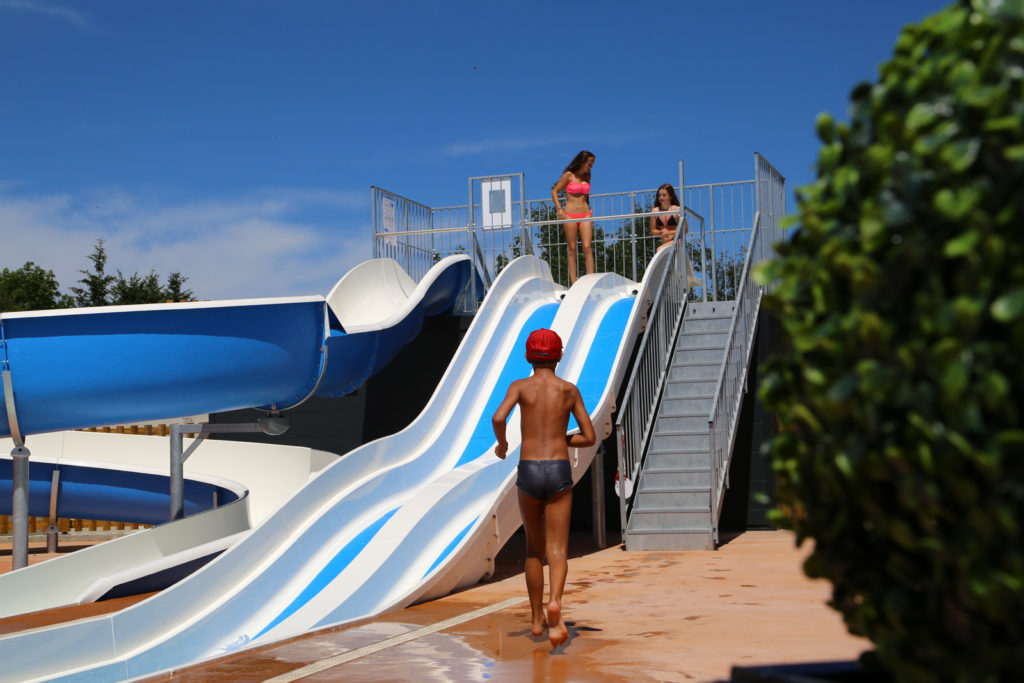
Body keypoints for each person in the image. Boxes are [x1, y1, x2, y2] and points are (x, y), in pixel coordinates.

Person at [492, 328, 596, 649]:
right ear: (559, 356)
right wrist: (563, 440)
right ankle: (555, 605)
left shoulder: (520, 387)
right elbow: (590, 436)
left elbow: (498, 417)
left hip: (529, 469)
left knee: (533, 549)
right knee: (558, 550)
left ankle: (536, 620)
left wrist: (503, 443)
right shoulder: (569, 391)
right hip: (558, 469)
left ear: (527, 356)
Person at [551, 150, 596, 284]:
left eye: (592, 164)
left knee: (587, 246)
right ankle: (573, 281)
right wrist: (559, 209)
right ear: (582, 162)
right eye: (589, 164)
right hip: (570, 214)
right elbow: (555, 191)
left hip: (585, 213)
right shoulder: (569, 175)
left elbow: (586, 195)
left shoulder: (588, 177)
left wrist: (589, 208)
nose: (590, 167)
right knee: (572, 248)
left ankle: (590, 279)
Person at [650, 183, 702, 287]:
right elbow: (653, 231)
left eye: (664, 195)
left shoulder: (677, 210)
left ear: (670, 196)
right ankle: (670, 278)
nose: (661, 198)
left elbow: (685, 228)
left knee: (660, 250)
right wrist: (662, 232)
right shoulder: (655, 211)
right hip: (665, 241)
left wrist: (671, 233)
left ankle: (667, 277)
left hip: (677, 240)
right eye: (659, 195)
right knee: (663, 251)